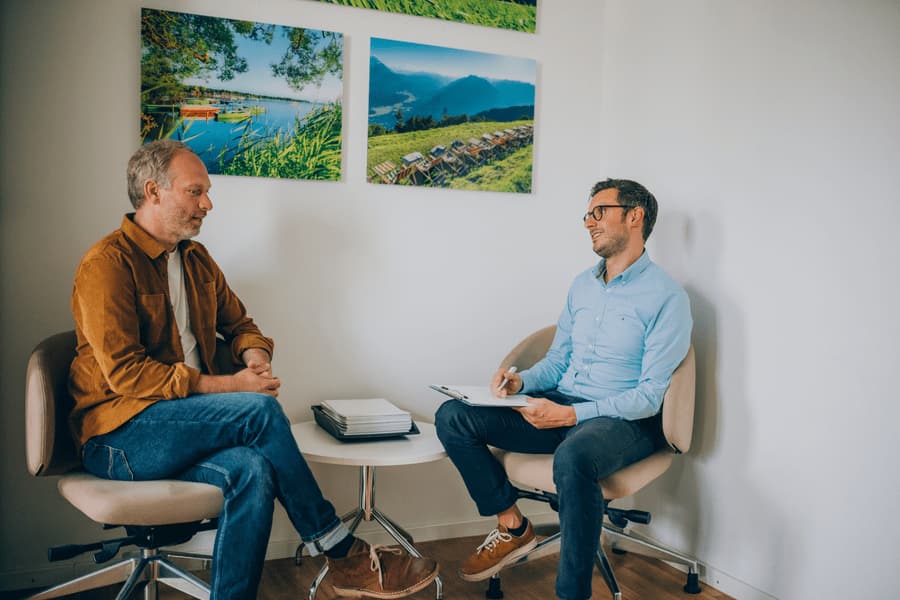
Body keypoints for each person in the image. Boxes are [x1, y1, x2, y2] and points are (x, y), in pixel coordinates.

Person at [68, 140, 438, 600]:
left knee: (253, 469)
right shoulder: (108, 265)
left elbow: (241, 325)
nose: (208, 203)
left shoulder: (196, 259)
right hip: (118, 434)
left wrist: (253, 356)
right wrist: (233, 387)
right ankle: (341, 553)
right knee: (257, 412)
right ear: (153, 191)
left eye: (207, 192)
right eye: (195, 191)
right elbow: (127, 375)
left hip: (182, 423)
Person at [435, 179, 692, 600]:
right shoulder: (583, 285)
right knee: (453, 416)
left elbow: (648, 397)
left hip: (623, 420)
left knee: (574, 455)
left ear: (634, 216)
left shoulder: (667, 298)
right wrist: (523, 382)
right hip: (563, 407)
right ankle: (512, 526)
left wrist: (572, 416)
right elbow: (558, 361)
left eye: (599, 212)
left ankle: (572, 593)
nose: (589, 222)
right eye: (587, 214)